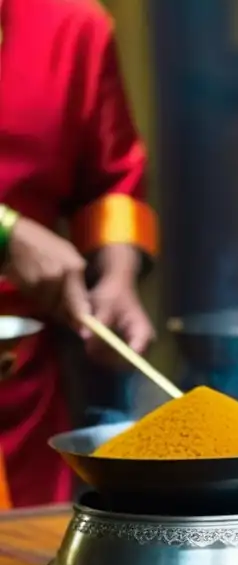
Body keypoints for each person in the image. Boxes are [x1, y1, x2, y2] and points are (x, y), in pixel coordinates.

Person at [0, 0, 158, 508]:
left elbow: (111, 182)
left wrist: (117, 274)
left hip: (20, 389)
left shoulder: (70, 23)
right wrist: (7, 233)